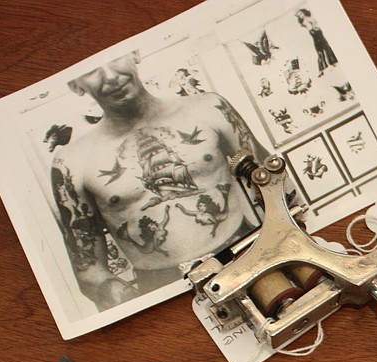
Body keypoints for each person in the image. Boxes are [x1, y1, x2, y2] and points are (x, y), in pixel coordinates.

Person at [50, 51, 266, 310]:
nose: (110, 76)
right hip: (163, 289)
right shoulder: (72, 162)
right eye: (90, 71)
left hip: (247, 254)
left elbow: (273, 183)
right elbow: (89, 270)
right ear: (75, 85)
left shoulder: (209, 108)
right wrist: (141, 305)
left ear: (134, 54)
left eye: (114, 59)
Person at [295, 9, 338, 77]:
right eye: (299, 15)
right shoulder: (304, 22)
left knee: (325, 48)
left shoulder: (308, 19)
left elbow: (314, 24)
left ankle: (331, 63)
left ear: (304, 13)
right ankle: (324, 67)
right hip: (314, 36)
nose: (301, 16)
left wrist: (314, 27)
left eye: (301, 14)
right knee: (320, 52)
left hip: (317, 34)